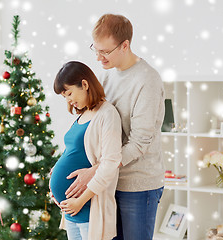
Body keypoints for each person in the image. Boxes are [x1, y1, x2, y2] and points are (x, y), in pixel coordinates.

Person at [64, 14, 165, 240]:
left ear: (125, 45)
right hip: (109, 182)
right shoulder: (107, 75)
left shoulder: (147, 80)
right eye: (95, 49)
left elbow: (139, 142)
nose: (99, 57)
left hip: (138, 185)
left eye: (105, 52)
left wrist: (97, 170)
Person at [49, 61, 122, 240]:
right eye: (64, 97)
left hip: (88, 208)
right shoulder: (83, 113)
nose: (69, 100)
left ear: (84, 84)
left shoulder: (107, 114)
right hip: (71, 210)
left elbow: (110, 164)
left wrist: (79, 201)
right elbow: (74, 152)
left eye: (69, 93)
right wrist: (54, 181)